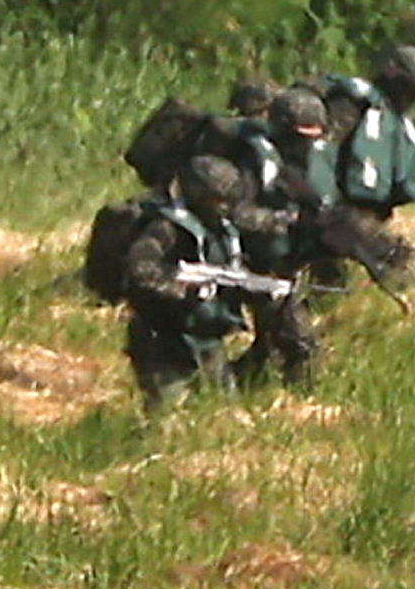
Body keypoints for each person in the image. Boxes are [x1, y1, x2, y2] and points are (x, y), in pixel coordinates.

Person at [313, 44, 415, 295]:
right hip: (337, 208)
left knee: (338, 276)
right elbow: (322, 149)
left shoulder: (399, 122)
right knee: (393, 255)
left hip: (362, 210)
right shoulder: (353, 105)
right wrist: (325, 199)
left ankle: (333, 303)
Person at [117, 155, 257, 411]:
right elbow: (140, 267)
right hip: (162, 339)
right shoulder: (166, 228)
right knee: (165, 413)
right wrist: (179, 287)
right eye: (218, 200)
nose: (224, 208)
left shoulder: (223, 231)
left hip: (205, 338)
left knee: (225, 411)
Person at [227, 87, 336, 386]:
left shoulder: (315, 162)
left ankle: (223, 383)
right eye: (300, 137)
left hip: (287, 266)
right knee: (302, 345)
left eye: (314, 137)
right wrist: (283, 221)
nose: (306, 145)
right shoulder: (253, 160)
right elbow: (235, 213)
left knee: (268, 348)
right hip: (251, 266)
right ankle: (304, 403)